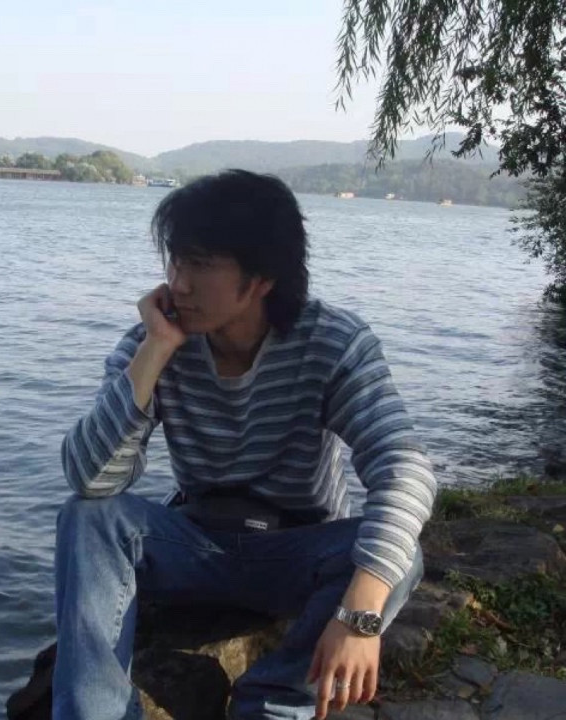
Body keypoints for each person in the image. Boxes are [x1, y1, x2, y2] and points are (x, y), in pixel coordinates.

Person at [53, 170, 436, 720]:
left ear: (261, 279)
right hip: (195, 543)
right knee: (88, 519)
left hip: (296, 551)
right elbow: (91, 478)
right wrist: (155, 351)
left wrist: (360, 618)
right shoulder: (153, 343)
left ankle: (273, 704)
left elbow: (405, 467)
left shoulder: (332, 343)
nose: (178, 284)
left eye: (200, 265)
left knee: (397, 557)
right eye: (175, 261)